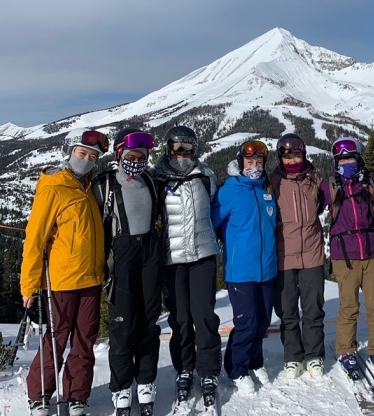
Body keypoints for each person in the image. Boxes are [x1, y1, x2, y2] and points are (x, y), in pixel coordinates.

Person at [20, 128, 108, 416]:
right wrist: (29, 286)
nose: (86, 160)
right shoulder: (54, 188)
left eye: (92, 156)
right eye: (82, 154)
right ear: (68, 153)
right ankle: (39, 395)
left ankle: (77, 395)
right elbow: (34, 240)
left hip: (92, 279)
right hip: (61, 280)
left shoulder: (90, 187)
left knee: (85, 339)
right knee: (57, 338)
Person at [93, 128, 164, 414]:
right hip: (120, 255)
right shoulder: (105, 184)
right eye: (131, 155)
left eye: (142, 156)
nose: (136, 160)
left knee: (149, 321)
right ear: (120, 154)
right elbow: (92, 225)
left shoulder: (150, 180)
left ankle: (145, 380)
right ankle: (121, 386)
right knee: (123, 325)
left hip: (149, 252)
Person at [154, 126, 221, 400]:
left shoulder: (206, 177)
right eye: (176, 147)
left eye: (187, 148)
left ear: (195, 149)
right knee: (180, 317)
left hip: (203, 256)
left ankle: (208, 368)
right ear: (168, 149)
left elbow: (215, 211)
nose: (181, 153)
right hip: (173, 260)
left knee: (204, 315)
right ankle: (184, 366)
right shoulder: (157, 179)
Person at [319, 137, 374, 381]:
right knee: (348, 307)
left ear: (359, 159)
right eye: (342, 159)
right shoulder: (329, 186)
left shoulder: (370, 184)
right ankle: (346, 349)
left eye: (350, 158)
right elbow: (311, 207)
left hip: (372, 252)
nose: (347, 163)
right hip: (345, 255)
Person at [211, 140, 277, 394]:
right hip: (240, 271)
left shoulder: (266, 190)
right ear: (240, 163)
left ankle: (254, 362)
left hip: (267, 269)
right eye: (250, 162)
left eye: (259, 162)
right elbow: (211, 220)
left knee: (262, 321)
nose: (255, 167)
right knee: (246, 322)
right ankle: (237, 369)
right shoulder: (229, 191)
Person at [269, 133, 325, 379]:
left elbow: (322, 205)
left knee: (313, 311)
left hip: (312, 255)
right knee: (287, 312)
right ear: (280, 157)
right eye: (287, 156)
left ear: (304, 154)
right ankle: (293, 357)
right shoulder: (272, 182)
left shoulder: (314, 179)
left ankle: (314, 356)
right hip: (283, 257)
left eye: (296, 155)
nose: (292, 160)